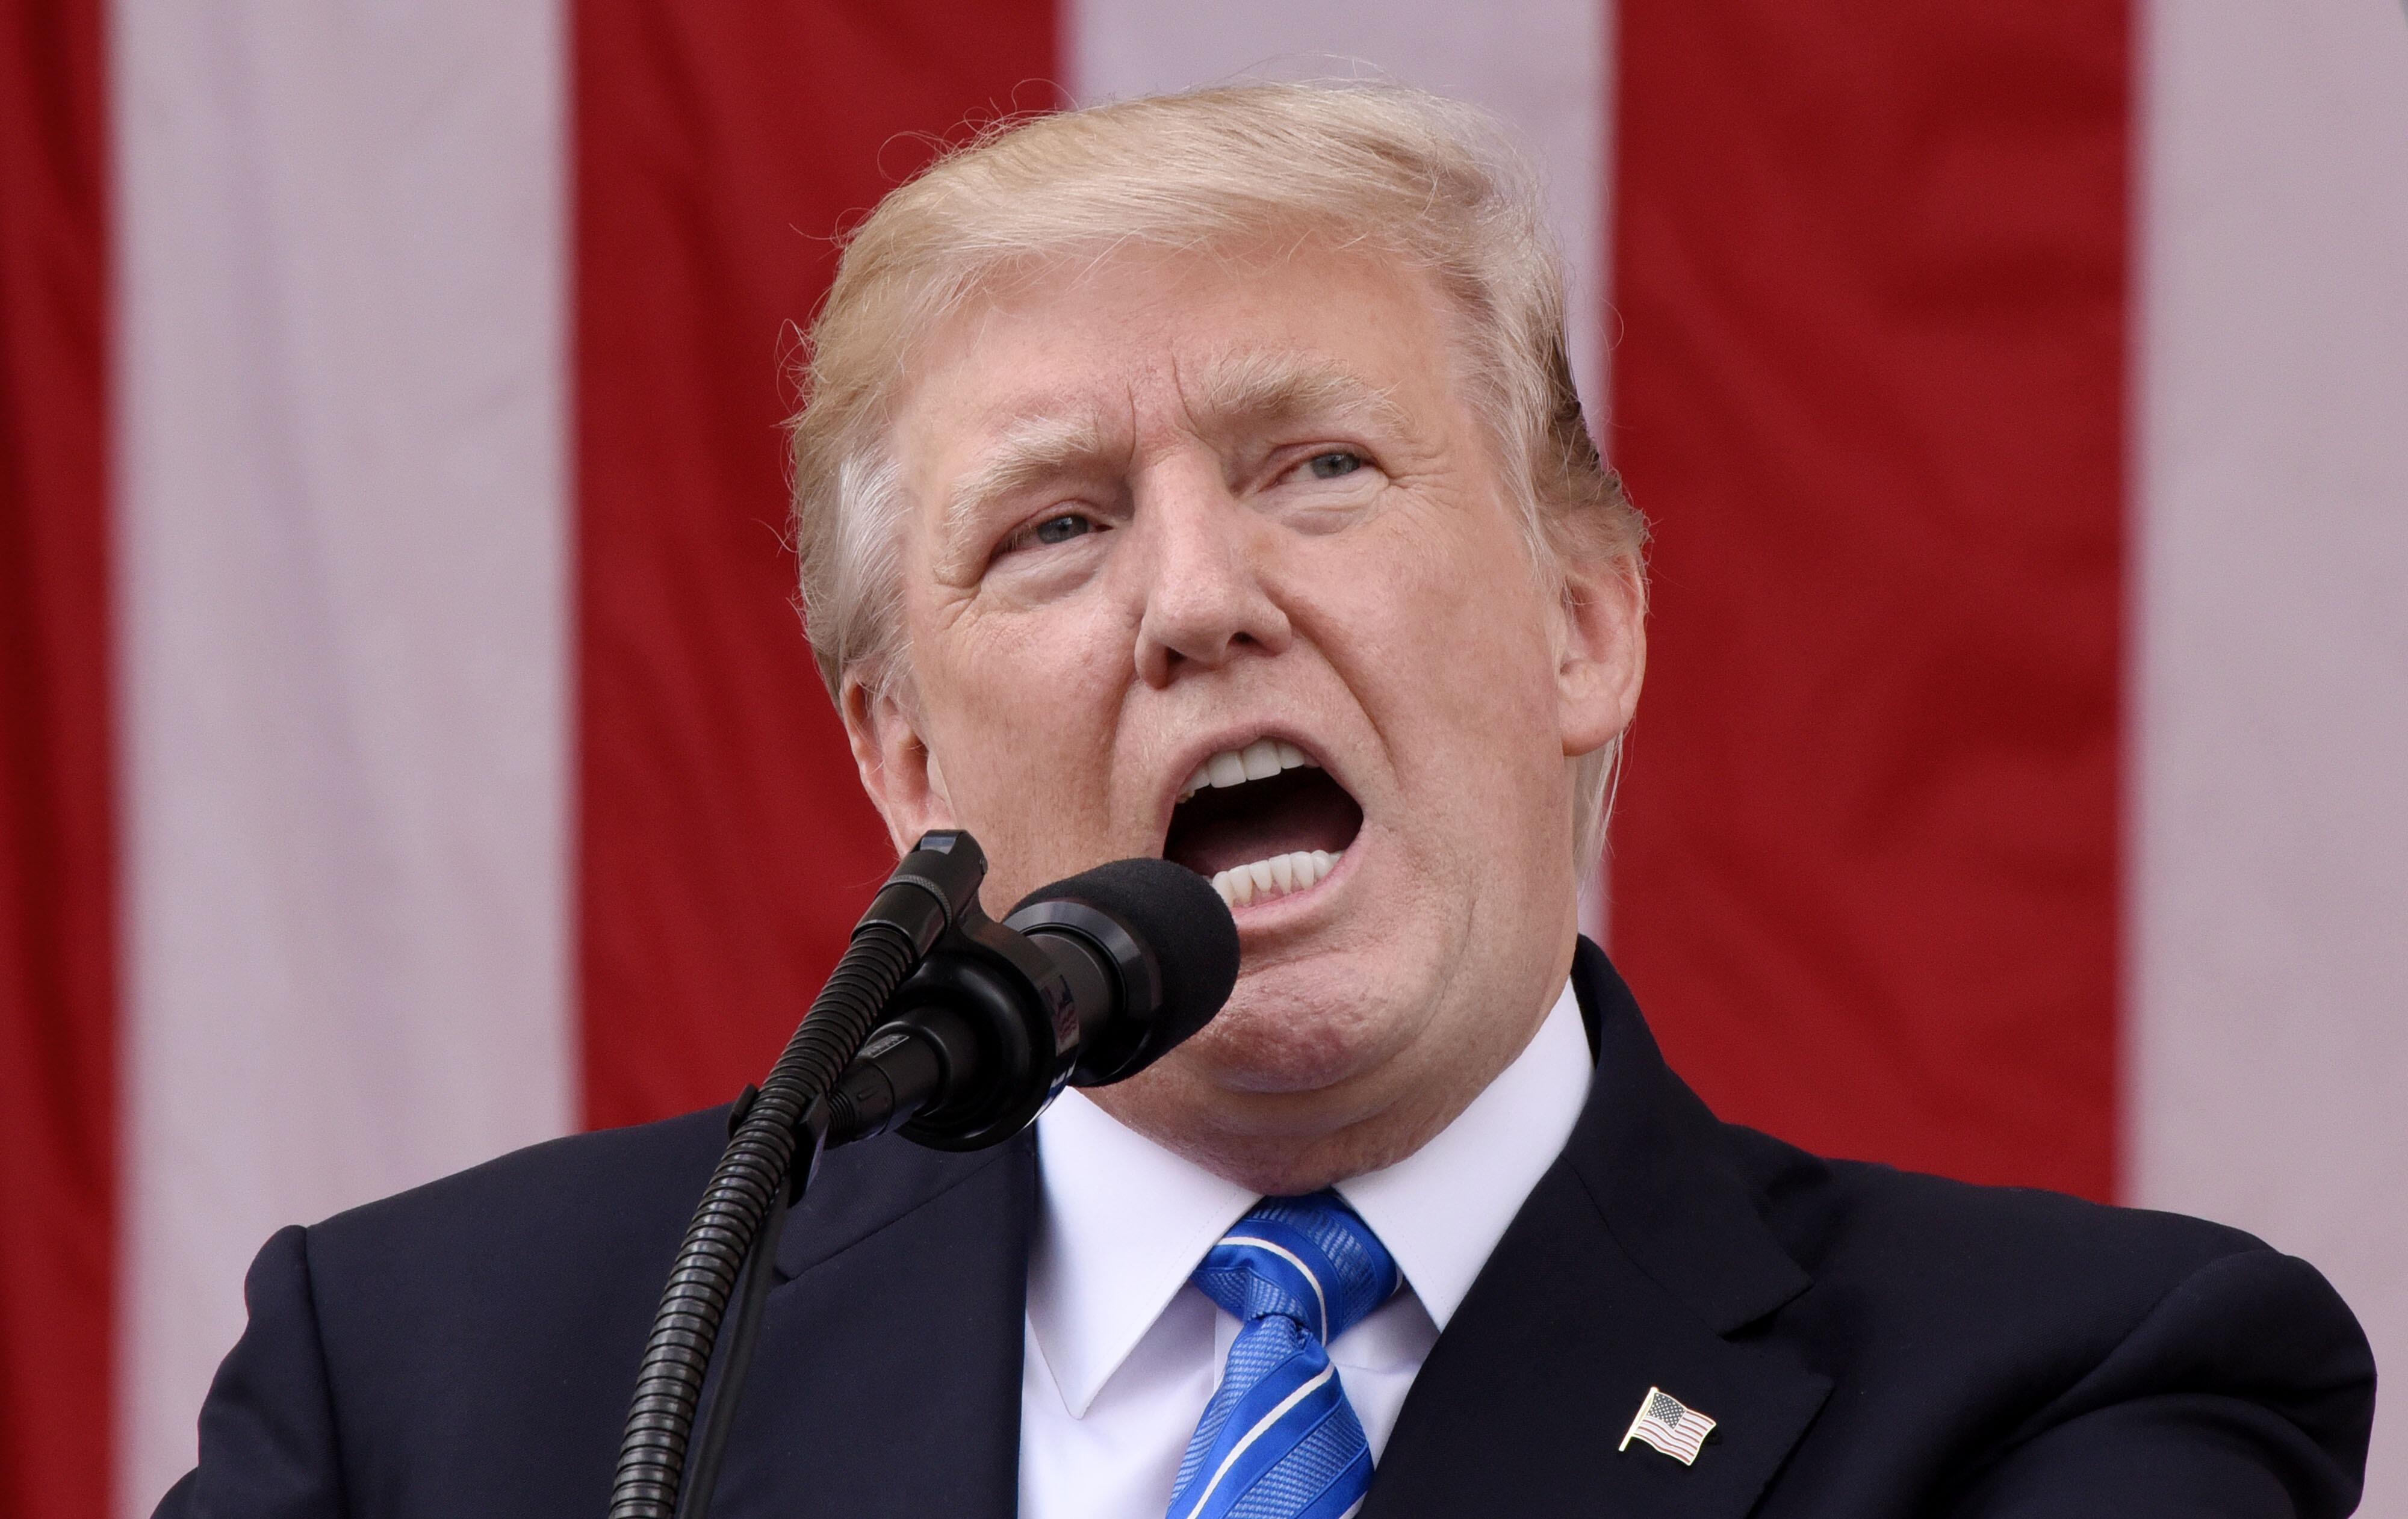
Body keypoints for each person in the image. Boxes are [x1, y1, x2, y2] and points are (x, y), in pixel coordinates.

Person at [158, 82, 2374, 1519]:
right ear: (910, 763)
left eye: (1322, 465)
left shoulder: (2079, 1399)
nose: (1200, 600)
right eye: (1054, 527)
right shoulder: (434, 1391)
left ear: (1584, 628)